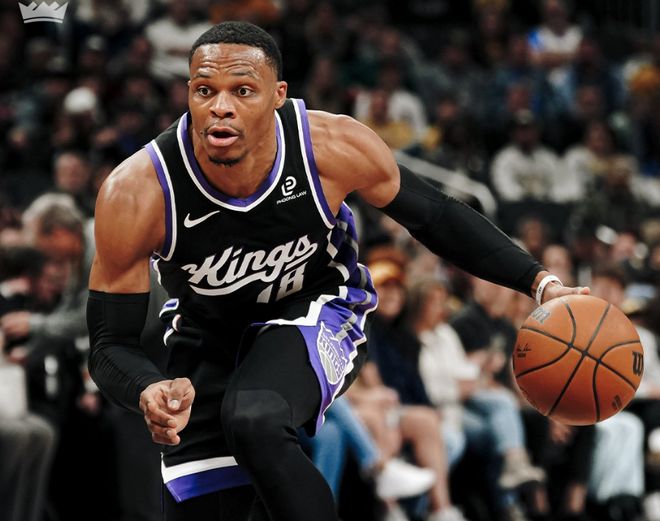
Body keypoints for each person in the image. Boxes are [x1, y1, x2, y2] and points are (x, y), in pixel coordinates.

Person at [87, 21, 588, 521]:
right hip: (208, 336)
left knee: (254, 416)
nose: (221, 106)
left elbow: (435, 215)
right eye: (204, 90)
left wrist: (539, 281)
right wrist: (146, 387)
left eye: (242, 90)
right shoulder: (137, 191)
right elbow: (110, 343)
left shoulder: (329, 145)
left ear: (278, 96)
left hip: (317, 306)